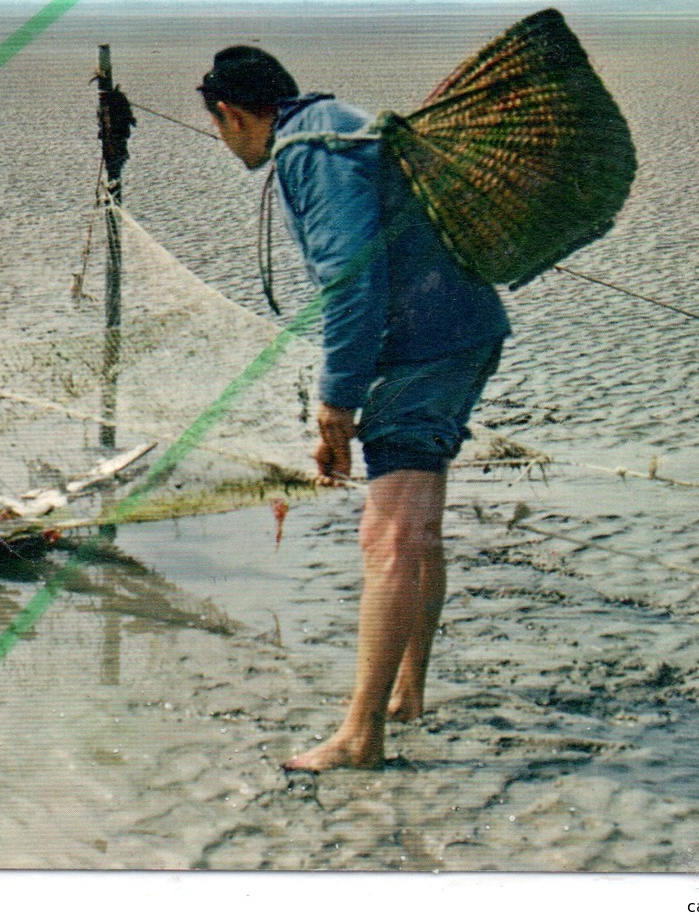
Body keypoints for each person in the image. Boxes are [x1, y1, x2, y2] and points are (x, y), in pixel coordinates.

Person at [199, 46, 509, 771]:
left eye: (220, 127)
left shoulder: (312, 150)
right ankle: (405, 698)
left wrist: (335, 403)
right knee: (417, 532)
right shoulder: (338, 123)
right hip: (459, 333)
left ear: (231, 113)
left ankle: (359, 736)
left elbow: (351, 281)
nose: (224, 140)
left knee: (389, 539)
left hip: (423, 349)